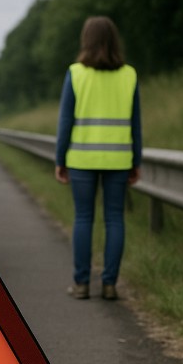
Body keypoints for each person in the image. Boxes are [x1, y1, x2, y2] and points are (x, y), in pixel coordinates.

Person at [55, 16, 142, 301]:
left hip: (81, 158)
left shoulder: (76, 73)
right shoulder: (129, 74)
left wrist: (60, 159)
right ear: (114, 40)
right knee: (114, 219)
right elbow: (135, 122)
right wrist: (136, 160)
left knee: (83, 218)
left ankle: (81, 285)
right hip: (118, 159)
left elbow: (65, 121)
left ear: (86, 41)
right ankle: (109, 285)